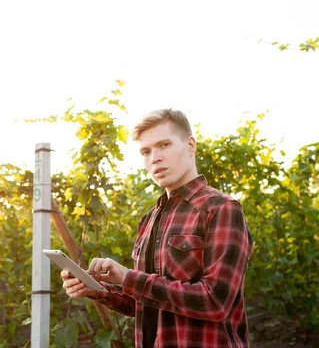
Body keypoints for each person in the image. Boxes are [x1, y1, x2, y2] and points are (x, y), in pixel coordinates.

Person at [60, 108, 253, 348]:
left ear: (190, 145)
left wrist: (128, 277)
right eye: (145, 151)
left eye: (164, 145)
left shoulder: (221, 209)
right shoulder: (149, 219)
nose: (155, 158)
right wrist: (96, 290)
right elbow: (146, 302)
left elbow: (215, 301)